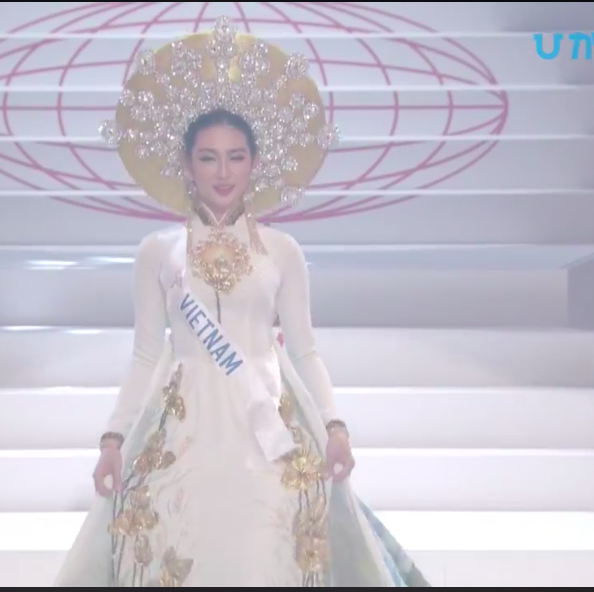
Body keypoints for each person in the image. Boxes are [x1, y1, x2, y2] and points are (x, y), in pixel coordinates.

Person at [54, 17, 429, 587]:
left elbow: (304, 351)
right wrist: (113, 440)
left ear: (255, 162)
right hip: (182, 432)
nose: (223, 172)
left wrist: (335, 426)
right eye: (208, 157)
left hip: (269, 429)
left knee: (268, 555)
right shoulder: (158, 252)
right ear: (186, 164)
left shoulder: (282, 251)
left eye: (236, 156)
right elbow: (145, 355)